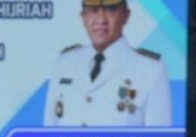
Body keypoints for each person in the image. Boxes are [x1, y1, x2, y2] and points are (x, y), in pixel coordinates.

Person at [41, 0, 171, 126]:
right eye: (93, 10)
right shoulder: (64, 62)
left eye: (111, 10)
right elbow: (49, 133)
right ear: (83, 17)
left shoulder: (151, 69)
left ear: (126, 15)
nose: (101, 20)